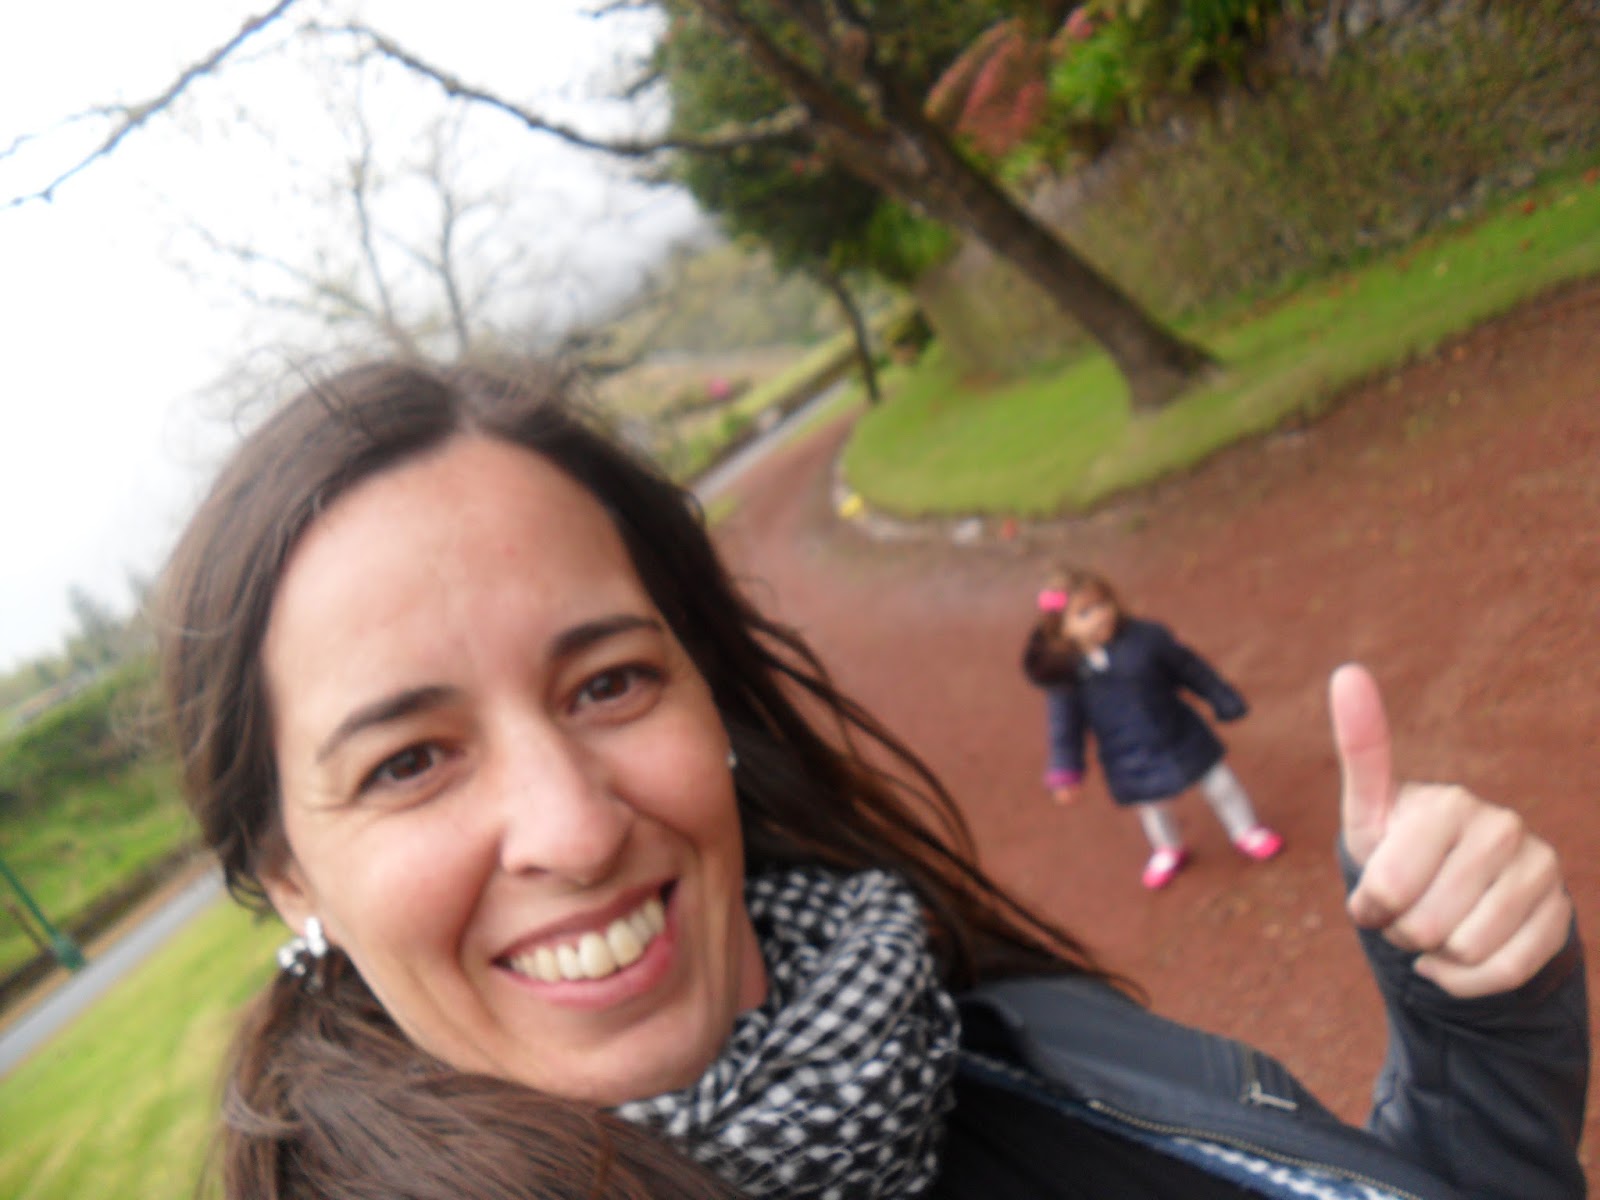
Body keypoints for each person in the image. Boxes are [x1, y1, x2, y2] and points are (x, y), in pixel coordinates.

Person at [156, 360, 1587, 1200]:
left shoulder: (941, 1002)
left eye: (608, 684)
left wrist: (1478, 1043)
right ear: (288, 874)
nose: (574, 828)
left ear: (707, 690)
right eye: (409, 762)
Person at [1022, 568, 1286, 889]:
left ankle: (1245, 829)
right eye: (1084, 613)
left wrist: (1222, 697)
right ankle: (1168, 848)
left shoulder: (1146, 640)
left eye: (1103, 604)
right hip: (1127, 752)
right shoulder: (1066, 674)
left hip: (1180, 732)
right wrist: (1066, 772)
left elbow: (1189, 668)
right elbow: (1064, 727)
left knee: (1221, 784)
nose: (1100, 616)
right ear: (1061, 628)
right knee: (1152, 806)